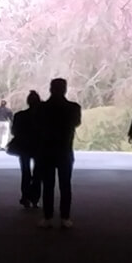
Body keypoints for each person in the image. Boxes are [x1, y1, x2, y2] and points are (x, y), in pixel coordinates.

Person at [36, 78, 81, 229]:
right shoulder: (73, 108)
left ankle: (48, 216)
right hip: (64, 150)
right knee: (65, 185)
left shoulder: (42, 108)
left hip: (46, 150)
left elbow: (38, 125)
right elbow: (76, 123)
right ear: (65, 89)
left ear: (50, 89)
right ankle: (65, 217)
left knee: (48, 185)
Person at [9, 90, 43, 208]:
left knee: (25, 172)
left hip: (23, 146)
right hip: (40, 146)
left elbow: (14, 131)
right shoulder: (44, 117)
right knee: (38, 174)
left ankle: (25, 196)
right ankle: (35, 197)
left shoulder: (20, 115)